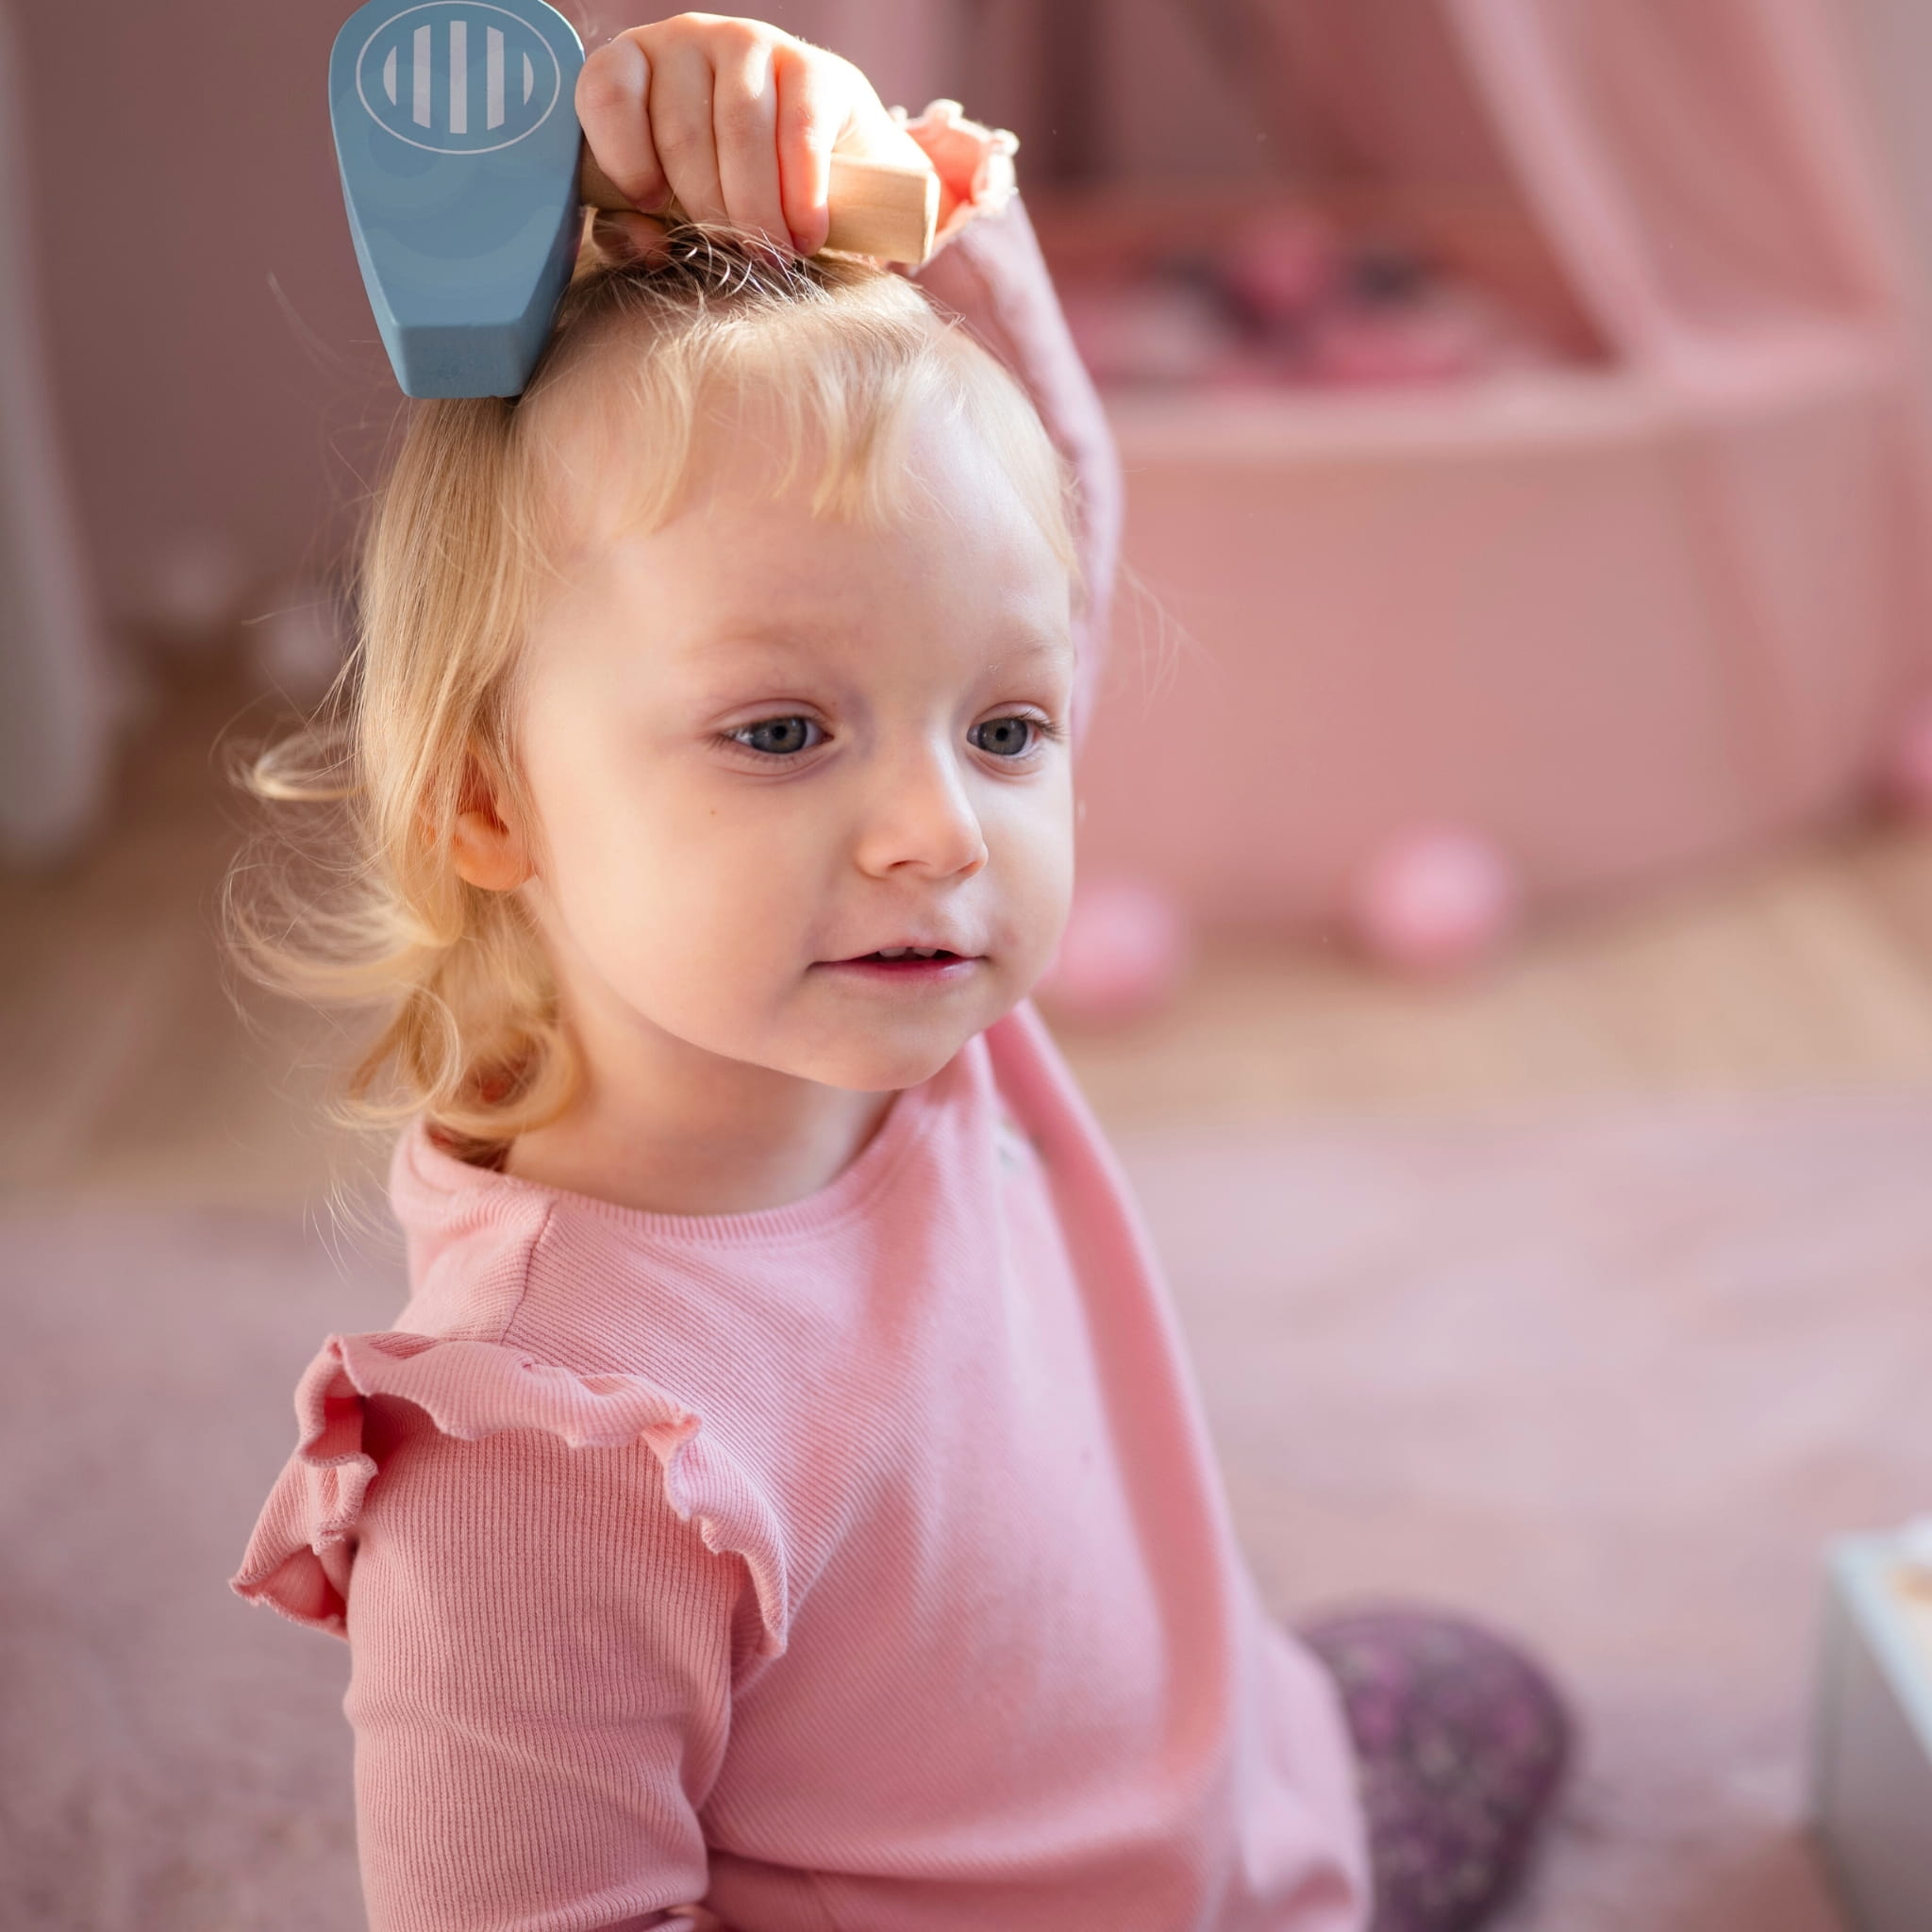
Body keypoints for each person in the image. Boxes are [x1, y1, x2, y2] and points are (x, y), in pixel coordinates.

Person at [228, 16, 1570, 1930]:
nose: (941, 830)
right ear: (489, 802)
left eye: (1006, 730)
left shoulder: (902, 1011)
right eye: (781, 733)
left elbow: (1028, 531)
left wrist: (870, 182)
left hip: (1225, 1808)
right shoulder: (548, 1454)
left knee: (1469, 1683)